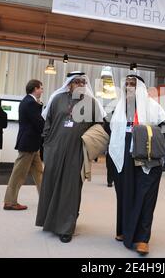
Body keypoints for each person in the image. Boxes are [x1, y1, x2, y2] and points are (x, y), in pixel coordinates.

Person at [36, 72, 106, 243]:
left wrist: (89, 144)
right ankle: (49, 221)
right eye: (77, 81)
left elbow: (100, 125)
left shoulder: (91, 103)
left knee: (71, 188)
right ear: (69, 84)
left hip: (77, 152)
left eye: (83, 81)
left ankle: (66, 227)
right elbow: (48, 122)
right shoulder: (58, 99)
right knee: (51, 184)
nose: (80, 84)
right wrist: (48, 143)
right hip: (55, 150)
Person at [106, 74, 165, 255]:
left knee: (145, 195)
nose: (129, 86)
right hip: (124, 154)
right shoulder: (120, 106)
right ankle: (124, 231)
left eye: (132, 83)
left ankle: (142, 239)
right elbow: (113, 127)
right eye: (126, 84)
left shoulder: (151, 105)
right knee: (125, 193)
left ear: (140, 87)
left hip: (146, 154)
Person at [3, 80, 45, 211]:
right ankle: (10, 202)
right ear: (35, 89)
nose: (42, 91)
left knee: (39, 173)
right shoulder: (30, 103)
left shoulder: (29, 102)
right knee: (18, 174)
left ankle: (46, 199)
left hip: (32, 144)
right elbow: (39, 123)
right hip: (28, 144)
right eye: (41, 88)